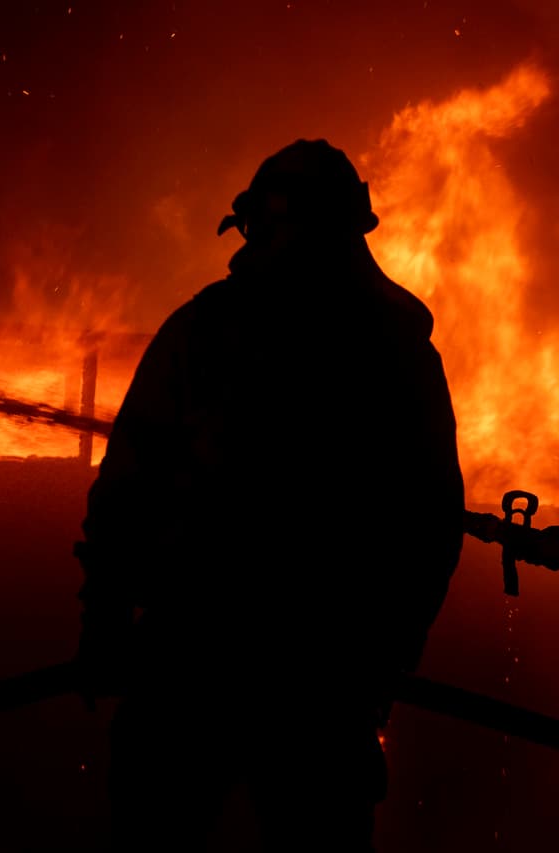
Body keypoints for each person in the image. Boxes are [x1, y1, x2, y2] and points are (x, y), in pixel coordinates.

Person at [73, 139, 466, 851]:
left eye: (263, 229)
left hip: (211, 665)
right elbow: (431, 523)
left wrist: (106, 612)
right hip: (307, 677)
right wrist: (386, 654)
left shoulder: (208, 330)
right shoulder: (398, 351)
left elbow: (131, 480)